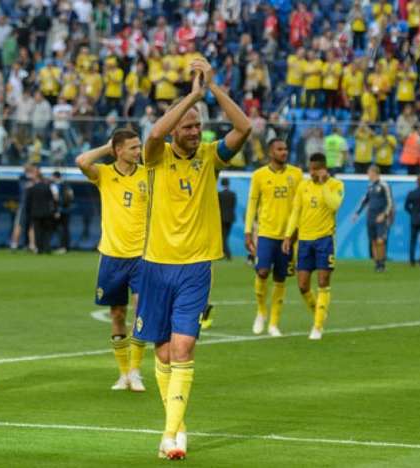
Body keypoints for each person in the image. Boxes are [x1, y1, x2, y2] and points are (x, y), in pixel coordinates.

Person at [134, 57, 250, 460]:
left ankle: (170, 436)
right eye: (188, 125)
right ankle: (178, 424)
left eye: (198, 125)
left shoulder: (210, 156)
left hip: (196, 267)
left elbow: (245, 128)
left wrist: (213, 90)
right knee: (163, 353)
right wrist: (191, 97)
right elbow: (154, 132)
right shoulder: (155, 157)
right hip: (154, 265)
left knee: (183, 349)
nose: (195, 130)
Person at [75, 128, 149, 393]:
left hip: (142, 256)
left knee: (141, 308)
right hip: (112, 256)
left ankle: (136, 371)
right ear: (119, 150)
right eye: (132, 147)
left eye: (139, 147)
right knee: (117, 314)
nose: (138, 152)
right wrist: (107, 148)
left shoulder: (147, 175)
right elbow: (82, 161)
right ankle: (122, 373)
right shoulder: (105, 174)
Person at [282, 153, 344, 341]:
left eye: (315, 169)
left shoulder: (336, 185)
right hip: (304, 241)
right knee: (302, 286)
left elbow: (334, 205)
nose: (312, 172)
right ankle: (320, 312)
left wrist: (324, 184)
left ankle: (317, 326)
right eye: (310, 169)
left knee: (323, 282)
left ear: (323, 168)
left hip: (325, 239)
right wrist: (287, 236)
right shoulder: (304, 186)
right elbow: (295, 212)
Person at [245, 138, 303, 336]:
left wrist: (295, 232)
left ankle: (274, 323)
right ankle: (261, 312)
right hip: (266, 234)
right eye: (280, 149)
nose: (284, 152)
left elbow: (299, 206)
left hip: (287, 236)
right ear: (271, 152)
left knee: (280, 278)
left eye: (286, 149)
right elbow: (252, 204)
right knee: (261, 272)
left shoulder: (296, 174)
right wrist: (247, 232)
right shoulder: (259, 175)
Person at [353, 165, 392, 272]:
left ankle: (382, 263)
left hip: (380, 217)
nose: (368, 175)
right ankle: (377, 264)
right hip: (370, 216)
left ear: (374, 173)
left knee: (380, 241)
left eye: (369, 173)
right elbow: (364, 200)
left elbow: (390, 202)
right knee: (373, 241)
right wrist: (357, 213)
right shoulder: (370, 187)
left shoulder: (384, 185)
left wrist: (384, 214)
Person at [25, 169, 56, 254]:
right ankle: (47, 247)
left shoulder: (32, 188)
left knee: (37, 231)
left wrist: (29, 212)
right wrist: (53, 211)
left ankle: (39, 248)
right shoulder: (47, 187)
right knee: (47, 231)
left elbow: (28, 202)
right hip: (47, 213)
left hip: (35, 213)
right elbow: (52, 200)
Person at [50, 171, 74, 254]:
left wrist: (57, 210)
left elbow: (57, 199)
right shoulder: (67, 185)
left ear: (55, 177)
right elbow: (71, 196)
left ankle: (62, 247)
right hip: (67, 210)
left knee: (61, 229)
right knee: (65, 229)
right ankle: (66, 247)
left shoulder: (57, 186)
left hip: (61, 211)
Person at [218, 178, 236, 261]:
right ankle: (224, 254)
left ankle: (227, 254)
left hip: (222, 218)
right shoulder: (233, 194)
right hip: (230, 218)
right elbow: (233, 206)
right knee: (226, 236)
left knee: (223, 237)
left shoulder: (220, 194)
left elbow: (218, 207)